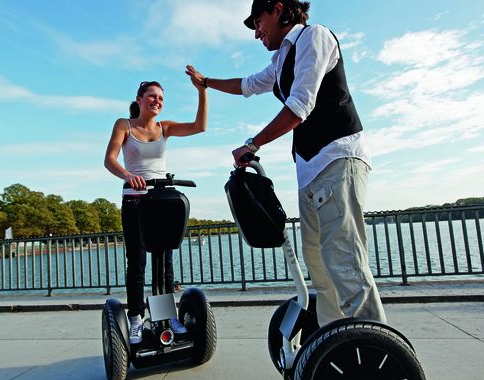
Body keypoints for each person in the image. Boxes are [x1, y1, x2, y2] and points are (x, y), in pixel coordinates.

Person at [185, 0, 386, 326]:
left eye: (258, 22)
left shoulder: (314, 38)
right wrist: (206, 82)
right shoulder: (280, 61)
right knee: (318, 267)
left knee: (344, 262)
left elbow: (300, 105)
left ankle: (376, 352)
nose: (257, 34)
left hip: (337, 159)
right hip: (308, 170)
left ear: (278, 9)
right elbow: (246, 85)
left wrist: (253, 144)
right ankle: (335, 342)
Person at [104, 67, 208, 344]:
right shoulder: (124, 125)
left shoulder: (166, 128)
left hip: (161, 200)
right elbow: (110, 159)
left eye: (161, 97)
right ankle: (136, 318)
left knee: (164, 262)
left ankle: (165, 314)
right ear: (139, 99)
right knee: (136, 262)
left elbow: (200, 126)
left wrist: (202, 91)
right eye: (152, 96)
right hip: (135, 201)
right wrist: (127, 175)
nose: (157, 101)